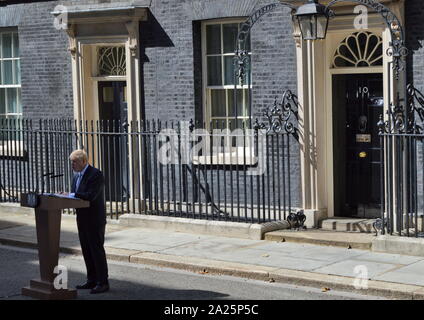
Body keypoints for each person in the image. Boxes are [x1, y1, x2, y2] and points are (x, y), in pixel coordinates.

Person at [66, 150, 109, 294]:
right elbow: (76, 196)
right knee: (86, 250)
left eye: (74, 161)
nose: (72, 164)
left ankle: (102, 282)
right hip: (82, 219)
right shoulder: (76, 176)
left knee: (96, 251)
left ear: (83, 161)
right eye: (71, 161)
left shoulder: (95, 174)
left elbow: (90, 195)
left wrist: (72, 195)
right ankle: (91, 280)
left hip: (94, 220)